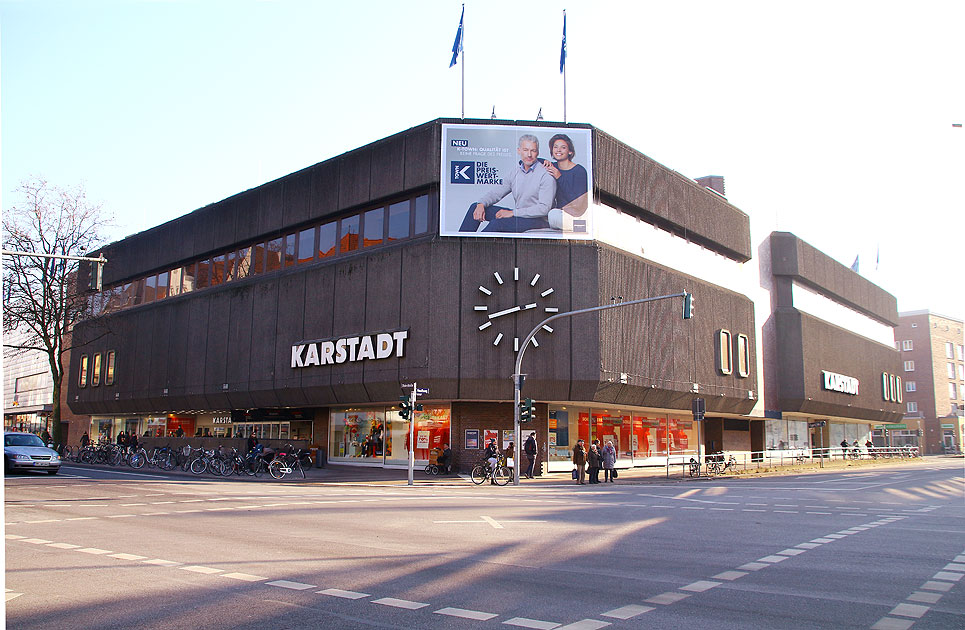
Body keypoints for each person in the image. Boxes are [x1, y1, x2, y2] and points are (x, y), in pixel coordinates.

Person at [458, 134, 557, 233]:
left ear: (537, 152)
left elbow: (544, 208)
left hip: (538, 220)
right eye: (525, 150)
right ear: (519, 151)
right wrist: (481, 204)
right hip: (520, 216)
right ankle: (460, 245)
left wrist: (513, 213)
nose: (529, 154)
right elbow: (496, 193)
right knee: (474, 208)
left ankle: (473, 248)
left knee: (497, 224)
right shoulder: (515, 172)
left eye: (533, 151)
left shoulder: (546, 174)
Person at [541, 133, 589, 231]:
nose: (558, 150)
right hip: (560, 213)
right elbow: (525, 162)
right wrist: (544, 160)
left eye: (563, 147)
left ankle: (579, 227)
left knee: (553, 215)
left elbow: (578, 204)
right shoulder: (553, 167)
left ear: (570, 151)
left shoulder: (579, 171)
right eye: (555, 147)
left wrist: (559, 177)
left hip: (576, 216)